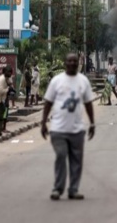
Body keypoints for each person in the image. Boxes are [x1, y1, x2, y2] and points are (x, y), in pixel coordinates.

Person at [41, 53, 95, 201]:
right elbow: (48, 102)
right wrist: (43, 122)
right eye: (69, 60)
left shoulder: (83, 81)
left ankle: (73, 189)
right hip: (58, 129)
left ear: (78, 63)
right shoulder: (56, 81)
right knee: (60, 155)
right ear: (65, 63)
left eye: (74, 61)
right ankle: (57, 189)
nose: (72, 63)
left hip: (77, 129)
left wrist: (92, 123)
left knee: (76, 160)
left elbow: (88, 103)